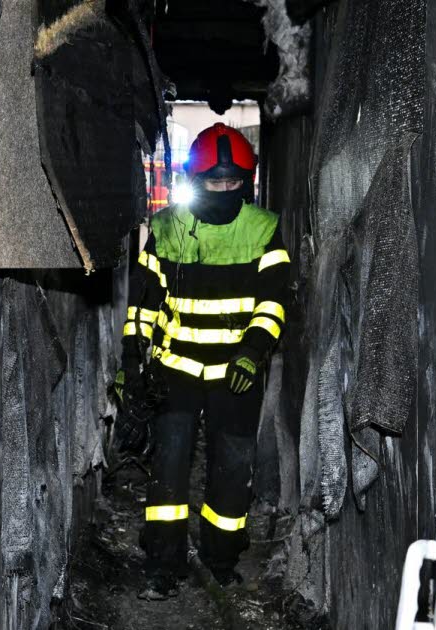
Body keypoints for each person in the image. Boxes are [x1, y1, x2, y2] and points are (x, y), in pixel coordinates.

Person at [115, 123, 291, 600]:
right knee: (168, 473)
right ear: (196, 180)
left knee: (232, 472)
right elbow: (143, 305)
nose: (224, 189)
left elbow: (274, 302)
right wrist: (133, 363)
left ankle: (221, 558)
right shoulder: (169, 227)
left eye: (233, 183)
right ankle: (162, 566)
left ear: (246, 182)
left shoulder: (264, 229)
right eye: (214, 182)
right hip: (177, 371)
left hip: (237, 375)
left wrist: (252, 353)